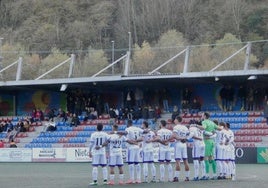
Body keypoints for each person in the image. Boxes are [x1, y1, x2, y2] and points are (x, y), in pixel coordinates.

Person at [196, 112, 222, 180]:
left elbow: (203, 128)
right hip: (212, 142)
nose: (201, 116)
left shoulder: (204, 121)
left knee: (206, 158)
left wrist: (196, 125)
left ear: (204, 116)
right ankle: (214, 174)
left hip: (206, 142)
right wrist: (212, 132)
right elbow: (220, 129)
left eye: (202, 115)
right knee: (212, 158)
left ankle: (206, 175)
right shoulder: (211, 122)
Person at [124, 119, 144, 184]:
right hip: (137, 147)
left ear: (128, 123)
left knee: (131, 163)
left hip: (131, 147)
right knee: (137, 163)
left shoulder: (128, 129)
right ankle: (138, 179)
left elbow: (126, 136)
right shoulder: (137, 128)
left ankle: (131, 179)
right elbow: (144, 132)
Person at [172, 116, 190, 182]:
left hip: (178, 144)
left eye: (175, 119)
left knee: (178, 160)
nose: (174, 120)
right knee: (185, 160)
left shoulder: (176, 127)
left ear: (177, 120)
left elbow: (174, 136)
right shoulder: (185, 127)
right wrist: (184, 139)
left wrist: (180, 138)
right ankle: (187, 177)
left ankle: (176, 177)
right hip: (184, 144)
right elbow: (188, 135)